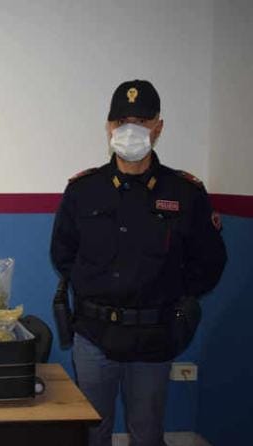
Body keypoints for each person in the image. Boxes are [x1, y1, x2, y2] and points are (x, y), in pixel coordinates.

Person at [50, 80, 226, 446]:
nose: (130, 130)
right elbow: (63, 253)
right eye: (122, 121)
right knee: (91, 432)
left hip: (153, 336)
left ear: (158, 127)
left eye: (141, 121)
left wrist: (173, 294)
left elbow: (210, 261)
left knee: (147, 433)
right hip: (94, 335)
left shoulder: (184, 192)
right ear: (109, 126)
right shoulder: (84, 190)